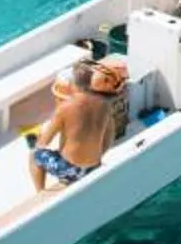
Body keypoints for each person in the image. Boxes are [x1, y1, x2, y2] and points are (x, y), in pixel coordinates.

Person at [32, 58, 127, 188]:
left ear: (72, 85)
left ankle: (41, 192)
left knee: (34, 156)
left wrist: (39, 138)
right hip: (94, 166)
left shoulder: (65, 108)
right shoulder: (104, 105)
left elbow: (43, 142)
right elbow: (109, 138)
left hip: (71, 170)